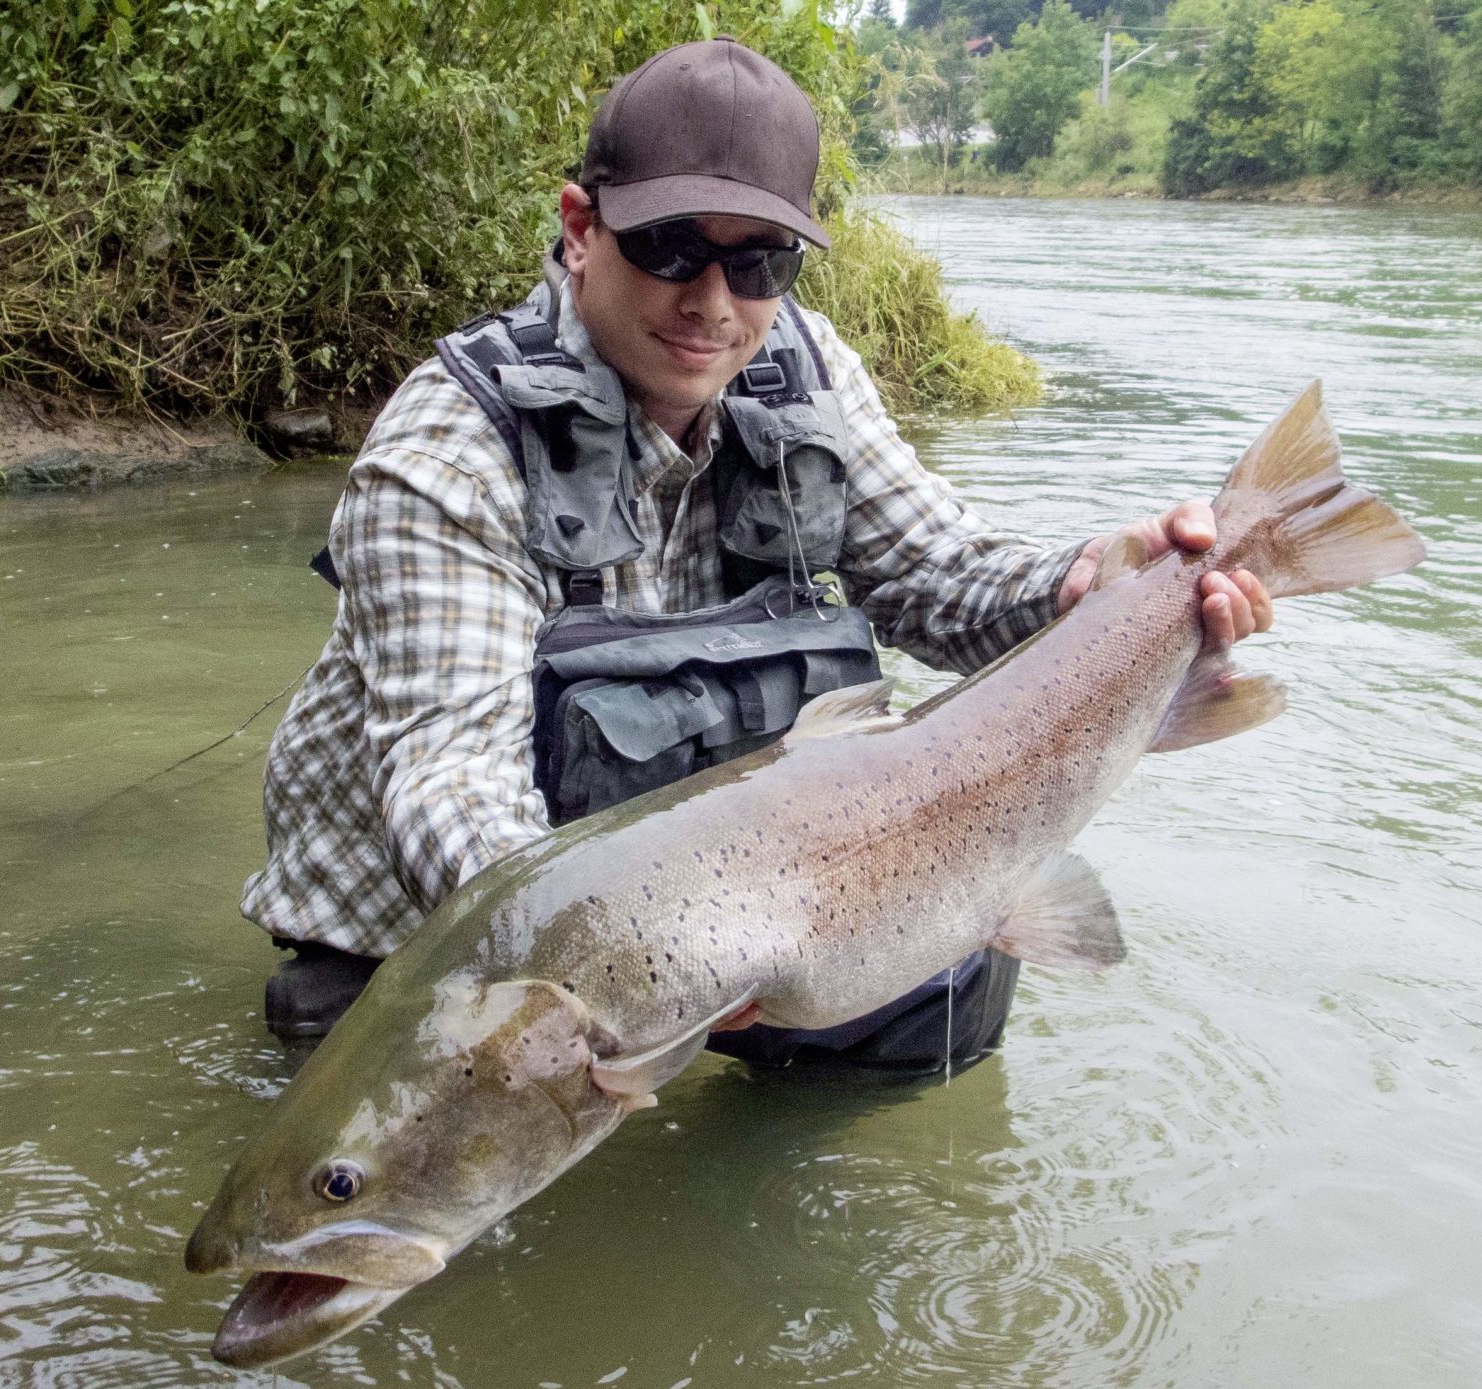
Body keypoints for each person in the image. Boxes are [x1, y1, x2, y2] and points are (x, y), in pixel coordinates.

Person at [239, 37, 1272, 1075]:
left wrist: (1083, 583)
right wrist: (641, 970)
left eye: (760, 261)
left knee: (947, 973)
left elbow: (940, 579)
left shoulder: (805, 371)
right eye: (674, 249)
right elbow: (451, 790)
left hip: (721, 921)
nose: (714, 303)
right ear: (578, 226)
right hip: (428, 955)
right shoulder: (446, 458)